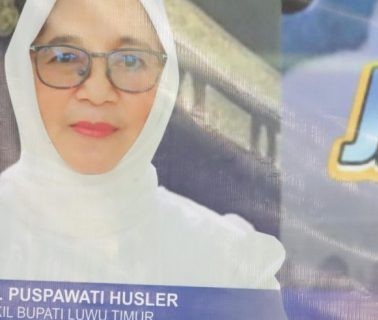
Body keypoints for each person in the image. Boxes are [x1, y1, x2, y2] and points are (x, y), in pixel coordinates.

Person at [0, 0, 285, 289]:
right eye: (64, 57)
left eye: (130, 61)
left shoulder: (227, 264)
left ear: (164, 80)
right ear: (24, 70)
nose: (97, 93)